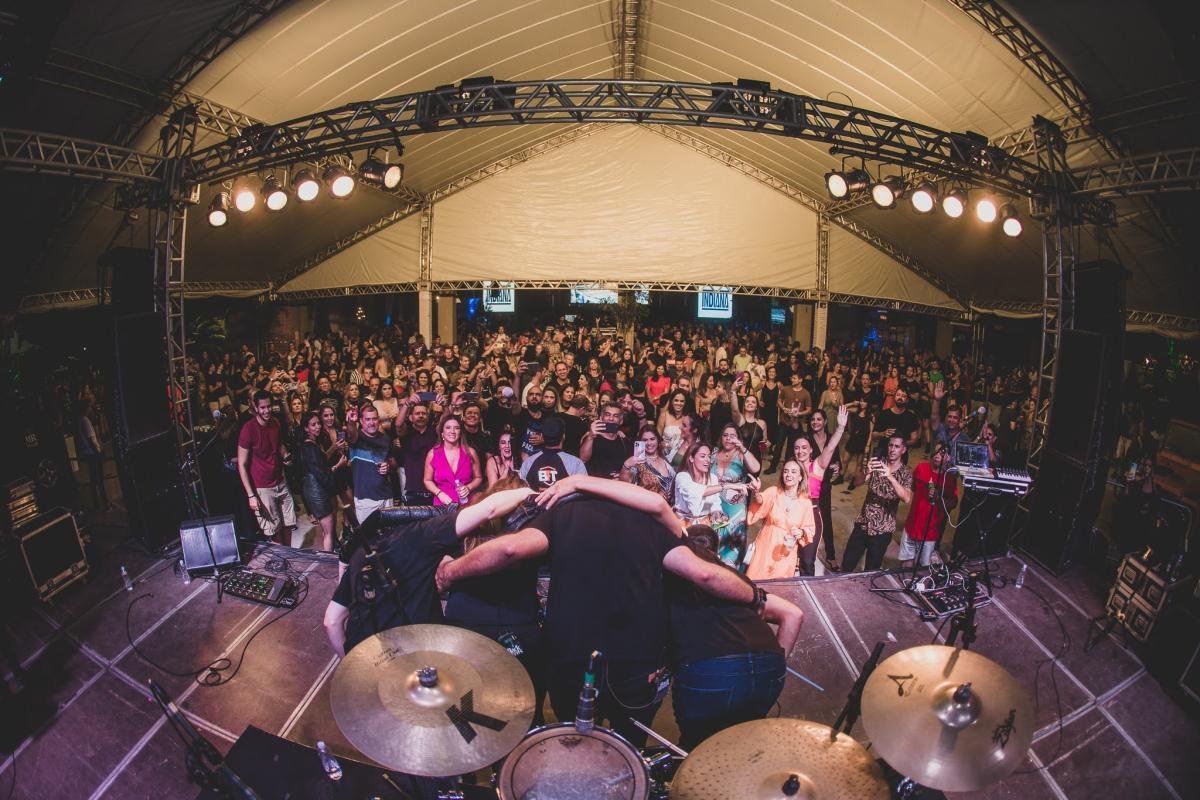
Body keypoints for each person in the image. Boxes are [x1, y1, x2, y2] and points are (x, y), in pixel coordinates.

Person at [435, 474, 760, 748]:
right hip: (639, 665)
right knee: (629, 752)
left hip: (572, 662)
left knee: (575, 748)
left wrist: (450, 572)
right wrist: (755, 597)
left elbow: (509, 548)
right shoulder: (653, 523)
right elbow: (704, 574)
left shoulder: (561, 515)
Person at [323, 485, 535, 655]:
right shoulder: (426, 534)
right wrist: (528, 492)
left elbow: (331, 621)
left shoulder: (362, 553)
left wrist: (351, 667)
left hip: (365, 661)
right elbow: (489, 510)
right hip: (416, 657)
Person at [668, 525, 803, 750]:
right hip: (769, 666)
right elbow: (793, 614)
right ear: (716, 551)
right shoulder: (735, 579)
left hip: (711, 668)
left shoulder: (676, 574)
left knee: (699, 751)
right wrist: (776, 662)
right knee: (742, 747)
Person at [443, 475, 547, 726]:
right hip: (515, 627)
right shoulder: (531, 530)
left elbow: (441, 571)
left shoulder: (468, 526)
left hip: (464, 630)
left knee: (464, 716)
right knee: (524, 715)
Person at [841, 434, 913, 573]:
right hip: (863, 523)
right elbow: (856, 483)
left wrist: (890, 476)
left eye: (897, 446)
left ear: (903, 450)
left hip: (882, 529)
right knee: (847, 563)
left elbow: (906, 498)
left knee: (871, 570)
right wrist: (866, 471)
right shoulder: (878, 462)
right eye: (890, 445)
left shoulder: (905, 473)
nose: (892, 449)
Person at [238, 390, 297, 543]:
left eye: (268, 406)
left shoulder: (275, 422)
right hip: (262, 487)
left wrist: (285, 456)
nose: (266, 411)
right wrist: (251, 495)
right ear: (256, 408)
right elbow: (242, 464)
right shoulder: (248, 429)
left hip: (280, 481)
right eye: (262, 407)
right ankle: (281, 557)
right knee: (274, 530)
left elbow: (279, 444)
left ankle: (289, 554)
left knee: (288, 524)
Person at [744, 461, 816, 579]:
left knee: (779, 584)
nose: (789, 475)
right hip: (766, 545)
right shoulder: (774, 492)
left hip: (787, 551)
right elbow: (761, 500)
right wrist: (756, 492)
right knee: (756, 579)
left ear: (800, 477)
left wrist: (801, 532)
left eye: (793, 472)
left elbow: (810, 529)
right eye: (786, 471)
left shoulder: (805, 503)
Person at [899, 444, 958, 568]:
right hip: (911, 527)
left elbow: (953, 503)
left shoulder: (949, 478)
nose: (937, 455)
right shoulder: (921, 468)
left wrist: (939, 498)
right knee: (905, 566)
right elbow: (911, 489)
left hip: (930, 533)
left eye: (942, 453)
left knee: (923, 569)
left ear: (948, 457)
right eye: (936, 451)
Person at [710, 423, 759, 567]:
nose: (728, 438)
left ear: (738, 439)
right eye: (725, 435)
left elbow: (756, 468)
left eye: (732, 436)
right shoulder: (714, 453)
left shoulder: (741, 454)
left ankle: (732, 570)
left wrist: (742, 448)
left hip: (735, 505)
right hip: (715, 501)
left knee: (733, 540)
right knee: (715, 537)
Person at [299, 410, 345, 551]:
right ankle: (329, 559)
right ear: (306, 428)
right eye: (313, 425)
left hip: (314, 488)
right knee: (328, 531)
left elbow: (322, 460)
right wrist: (338, 465)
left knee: (327, 530)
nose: (318, 426)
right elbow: (321, 473)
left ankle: (329, 555)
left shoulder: (311, 444)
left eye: (318, 423)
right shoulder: (309, 447)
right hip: (316, 490)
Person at [346, 403, 394, 523]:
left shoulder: (385, 438)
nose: (371, 423)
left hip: (386, 495)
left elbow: (392, 462)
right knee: (368, 534)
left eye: (374, 419)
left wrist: (388, 466)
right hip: (366, 499)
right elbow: (351, 433)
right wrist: (351, 422)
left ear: (379, 420)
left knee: (390, 532)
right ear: (361, 421)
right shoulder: (356, 438)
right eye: (367, 419)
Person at [423, 415, 482, 506]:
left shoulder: (470, 452)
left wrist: (468, 487)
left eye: (456, 428)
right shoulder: (433, 454)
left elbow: (478, 478)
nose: (452, 431)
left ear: (460, 433)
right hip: (442, 504)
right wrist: (439, 493)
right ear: (442, 433)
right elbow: (427, 480)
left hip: (467, 505)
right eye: (448, 428)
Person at [518, 415, 587, 490]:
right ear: (563, 436)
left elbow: (519, 490)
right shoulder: (575, 463)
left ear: (542, 436)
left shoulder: (528, 462)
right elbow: (583, 491)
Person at [620, 425, 676, 503]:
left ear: (658, 440)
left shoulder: (665, 461)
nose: (649, 443)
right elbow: (624, 487)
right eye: (645, 440)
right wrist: (626, 466)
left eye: (652, 439)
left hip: (667, 507)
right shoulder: (637, 462)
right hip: (644, 506)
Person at [580, 401, 630, 478]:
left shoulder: (624, 441)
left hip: (616, 483)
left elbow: (628, 466)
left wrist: (621, 475)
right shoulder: (592, 437)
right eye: (607, 415)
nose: (611, 418)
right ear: (601, 417)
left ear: (621, 420)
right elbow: (583, 459)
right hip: (595, 483)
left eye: (615, 416)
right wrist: (590, 437)